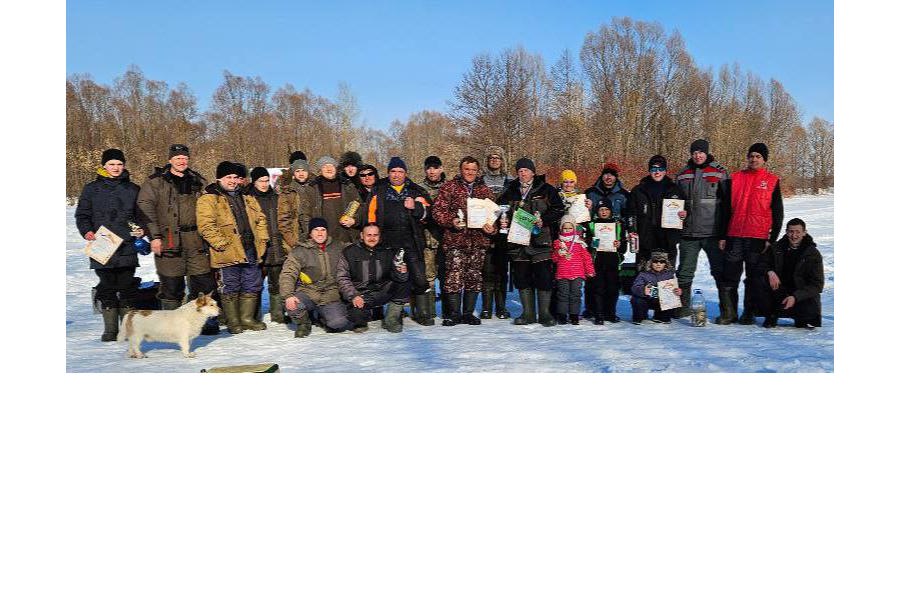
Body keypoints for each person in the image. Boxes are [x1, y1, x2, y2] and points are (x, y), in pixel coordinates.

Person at [136, 143, 219, 334]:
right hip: (168, 239)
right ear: (170, 160)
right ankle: (170, 326)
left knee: (203, 282)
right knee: (172, 286)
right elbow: (145, 208)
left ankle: (202, 321)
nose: (182, 161)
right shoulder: (156, 182)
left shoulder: (197, 180)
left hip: (195, 239)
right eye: (178, 158)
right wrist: (154, 236)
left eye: (185, 158)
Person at [351, 157, 431, 322]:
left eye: (400, 171)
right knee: (390, 278)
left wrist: (415, 207)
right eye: (393, 171)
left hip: (411, 239)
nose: (396, 175)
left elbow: (428, 216)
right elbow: (369, 217)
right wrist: (371, 237)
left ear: (405, 173)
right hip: (386, 241)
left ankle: (422, 313)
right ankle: (396, 312)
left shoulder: (415, 190)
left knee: (419, 277)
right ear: (388, 173)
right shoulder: (378, 190)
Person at [75, 148, 143, 341]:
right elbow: (82, 215)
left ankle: (127, 330)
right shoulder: (91, 189)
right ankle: (110, 330)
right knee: (106, 286)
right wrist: (87, 231)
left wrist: (141, 229)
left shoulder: (133, 189)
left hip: (126, 245)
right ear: (104, 166)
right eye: (112, 164)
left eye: (119, 164)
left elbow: (141, 216)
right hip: (101, 245)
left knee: (127, 285)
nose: (116, 168)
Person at [197, 161, 269, 334]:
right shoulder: (208, 198)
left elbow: (260, 220)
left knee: (252, 283)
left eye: (235, 177)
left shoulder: (247, 197)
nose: (232, 181)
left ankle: (246, 318)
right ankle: (233, 320)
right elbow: (206, 225)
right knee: (229, 285)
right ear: (219, 178)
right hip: (227, 250)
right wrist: (221, 244)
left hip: (250, 247)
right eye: (228, 177)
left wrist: (263, 239)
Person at [718, 142, 784, 325]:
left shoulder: (772, 181)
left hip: (758, 238)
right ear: (747, 157)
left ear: (764, 160)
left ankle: (749, 312)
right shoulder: (735, 178)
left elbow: (778, 212)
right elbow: (724, 210)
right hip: (735, 235)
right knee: (730, 276)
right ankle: (729, 313)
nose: (754, 159)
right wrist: (723, 235)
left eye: (758, 157)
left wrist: (772, 238)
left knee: (753, 277)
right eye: (751, 156)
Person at [497, 158, 565, 326]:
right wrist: (502, 221)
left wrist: (544, 220)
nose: (522, 173)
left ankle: (544, 314)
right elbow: (500, 210)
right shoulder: (510, 190)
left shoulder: (546, 189)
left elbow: (559, 210)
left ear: (533, 172)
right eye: (519, 170)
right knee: (522, 277)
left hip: (540, 240)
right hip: (517, 241)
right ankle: (527, 313)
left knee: (543, 277)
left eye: (526, 170)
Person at [431, 156, 497, 325]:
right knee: (454, 276)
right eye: (467, 169)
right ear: (461, 170)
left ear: (478, 171)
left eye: (473, 170)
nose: (470, 172)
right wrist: (451, 221)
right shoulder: (449, 187)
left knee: (474, 276)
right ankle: (454, 313)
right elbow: (437, 211)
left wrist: (492, 227)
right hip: (456, 240)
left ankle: (468, 312)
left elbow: (495, 215)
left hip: (478, 241)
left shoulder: (485, 190)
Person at [674, 139, 730, 317]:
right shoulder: (683, 174)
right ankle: (682, 308)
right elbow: (674, 202)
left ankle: (727, 311)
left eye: (701, 152)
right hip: (688, 233)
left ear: (707, 153)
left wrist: (724, 234)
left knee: (720, 272)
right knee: (684, 272)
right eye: (694, 152)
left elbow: (728, 205)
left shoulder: (720, 172)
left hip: (712, 233)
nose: (698, 155)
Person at [279, 217, 351, 337]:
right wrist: (288, 295)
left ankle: (324, 318)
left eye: (323, 229)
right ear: (310, 233)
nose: (319, 233)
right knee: (292, 305)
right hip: (308, 292)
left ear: (327, 232)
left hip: (331, 294)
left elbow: (355, 250)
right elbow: (288, 274)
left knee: (338, 323)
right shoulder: (300, 251)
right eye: (316, 230)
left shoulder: (338, 247)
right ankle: (304, 323)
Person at [336, 224, 409, 333]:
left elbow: (396, 276)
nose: (372, 238)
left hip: (383, 290)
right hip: (361, 294)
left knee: (404, 283)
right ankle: (362, 318)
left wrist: (402, 272)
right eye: (368, 235)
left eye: (375, 235)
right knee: (356, 316)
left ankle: (391, 318)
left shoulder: (387, 250)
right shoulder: (349, 252)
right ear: (361, 235)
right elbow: (342, 278)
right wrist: (353, 295)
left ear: (379, 236)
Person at [753, 218, 823, 329]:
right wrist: (769, 272)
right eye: (791, 231)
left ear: (804, 233)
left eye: (797, 232)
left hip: (800, 293)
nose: (794, 235)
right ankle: (771, 314)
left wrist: (796, 297)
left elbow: (817, 285)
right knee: (759, 279)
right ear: (786, 232)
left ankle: (802, 318)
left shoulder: (812, 254)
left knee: (809, 306)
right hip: (779, 290)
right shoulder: (776, 248)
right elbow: (761, 264)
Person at [584, 162, 631, 320]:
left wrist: (623, 235)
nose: (608, 177)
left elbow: (629, 215)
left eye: (612, 174)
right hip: (596, 248)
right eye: (606, 174)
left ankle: (609, 312)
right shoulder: (591, 192)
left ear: (616, 177)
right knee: (594, 283)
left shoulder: (623, 195)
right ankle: (593, 310)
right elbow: (582, 215)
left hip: (613, 245)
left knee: (612, 285)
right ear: (601, 175)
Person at [628, 155, 687, 268]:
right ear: (650, 170)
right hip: (645, 241)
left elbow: (686, 209)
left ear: (665, 171)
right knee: (643, 277)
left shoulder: (675, 189)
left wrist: (685, 214)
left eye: (660, 169)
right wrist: (631, 229)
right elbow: (631, 213)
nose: (657, 172)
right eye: (654, 169)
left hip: (667, 241)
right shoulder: (638, 190)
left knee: (666, 280)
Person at [246, 167, 288, 324]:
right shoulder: (248, 199)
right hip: (257, 247)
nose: (264, 184)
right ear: (254, 181)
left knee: (276, 283)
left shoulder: (276, 197)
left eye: (266, 180)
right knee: (255, 283)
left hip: (276, 246)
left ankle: (278, 314)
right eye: (260, 181)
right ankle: (254, 316)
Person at [480, 146, 514, 319]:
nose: (494, 160)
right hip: (484, 230)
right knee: (486, 271)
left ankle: (501, 307)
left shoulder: (510, 181)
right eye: (491, 157)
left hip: (504, 231)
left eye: (497, 158)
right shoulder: (480, 180)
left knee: (502, 271)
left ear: (502, 161)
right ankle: (486, 308)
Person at [586, 198, 627, 324]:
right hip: (597, 261)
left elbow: (624, 247)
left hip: (613, 261)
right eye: (601, 210)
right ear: (597, 211)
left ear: (610, 210)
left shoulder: (618, 224)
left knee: (612, 288)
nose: (603, 212)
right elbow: (587, 243)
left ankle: (610, 313)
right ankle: (599, 314)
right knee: (598, 288)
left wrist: (620, 244)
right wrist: (592, 242)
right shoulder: (592, 224)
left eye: (606, 209)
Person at [307, 156, 362, 246]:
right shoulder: (312, 188)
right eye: (325, 166)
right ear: (320, 170)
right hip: (323, 238)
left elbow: (360, 206)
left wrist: (354, 220)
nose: (329, 169)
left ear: (336, 168)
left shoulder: (347, 185)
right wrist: (311, 233)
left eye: (331, 166)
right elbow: (306, 214)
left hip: (347, 236)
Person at [418, 155, 446, 324]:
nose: (432, 171)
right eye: (429, 168)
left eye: (435, 167)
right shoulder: (419, 189)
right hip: (426, 239)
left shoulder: (449, 187)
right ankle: (429, 311)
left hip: (446, 239)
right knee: (428, 276)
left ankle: (448, 311)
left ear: (441, 169)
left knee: (446, 275)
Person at [551, 216, 594, 324]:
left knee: (576, 294)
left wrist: (590, 270)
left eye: (570, 228)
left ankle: (574, 315)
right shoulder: (558, 242)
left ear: (574, 228)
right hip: (562, 273)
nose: (567, 230)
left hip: (577, 273)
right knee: (562, 294)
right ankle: (562, 315)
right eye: (565, 228)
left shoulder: (580, 243)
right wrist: (558, 253)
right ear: (561, 229)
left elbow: (586, 258)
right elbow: (554, 259)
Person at [630, 251, 683, 323]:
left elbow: (673, 288)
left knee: (673, 298)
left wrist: (677, 291)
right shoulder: (643, 274)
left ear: (665, 263)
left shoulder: (669, 274)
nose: (658, 264)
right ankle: (640, 316)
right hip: (646, 299)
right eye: (655, 261)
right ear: (651, 263)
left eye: (662, 262)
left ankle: (660, 316)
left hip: (661, 300)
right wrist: (643, 290)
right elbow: (634, 287)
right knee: (636, 300)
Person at [276, 157, 316, 251]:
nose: (301, 174)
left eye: (303, 170)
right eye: (298, 171)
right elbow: (283, 221)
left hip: (315, 237)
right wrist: (293, 242)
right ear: (294, 173)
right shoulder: (287, 192)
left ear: (308, 172)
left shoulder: (315, 188)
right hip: (297, 239)